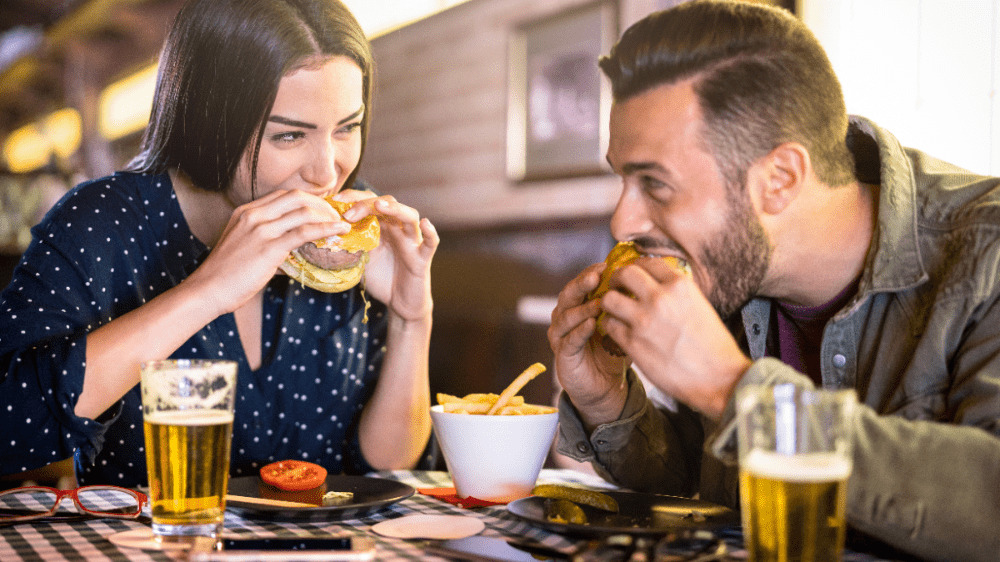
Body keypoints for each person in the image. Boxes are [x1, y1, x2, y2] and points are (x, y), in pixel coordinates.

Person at [548, 1, 1000, 560]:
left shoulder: (987, 252)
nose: (622, 222)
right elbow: (703, 487)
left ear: (780, 179)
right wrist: (608, 402)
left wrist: (731, 388)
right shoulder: (730, 272)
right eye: (623, 180)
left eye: (656, 184)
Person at [0, 0, 438, 488]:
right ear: (209, 120)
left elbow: (387, 467)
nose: (327, 172)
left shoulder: (353, 237)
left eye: (347, 128)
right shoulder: (102, 222)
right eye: (289, 136)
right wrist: (207, 291)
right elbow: (9, 427)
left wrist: (411, 318)